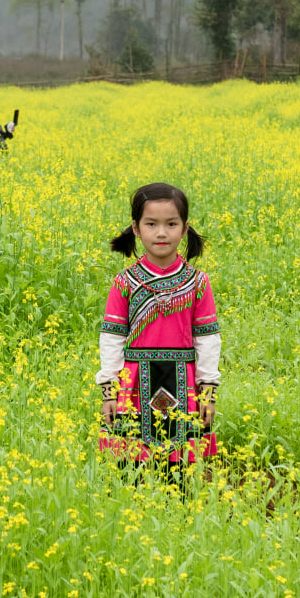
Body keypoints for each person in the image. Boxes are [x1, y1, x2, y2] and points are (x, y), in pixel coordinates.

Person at [96, 182, 220, 471]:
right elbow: (111, 339)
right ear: (137, 229)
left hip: (184, 383)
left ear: (185, 228)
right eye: (151, 224)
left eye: (171, 224)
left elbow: (208, 340)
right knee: (131, 468)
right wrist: (109, 392)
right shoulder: (124, 282)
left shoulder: (198, 283)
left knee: (181, 473)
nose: (161, 233)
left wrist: (208, 394)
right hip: (134, 383)